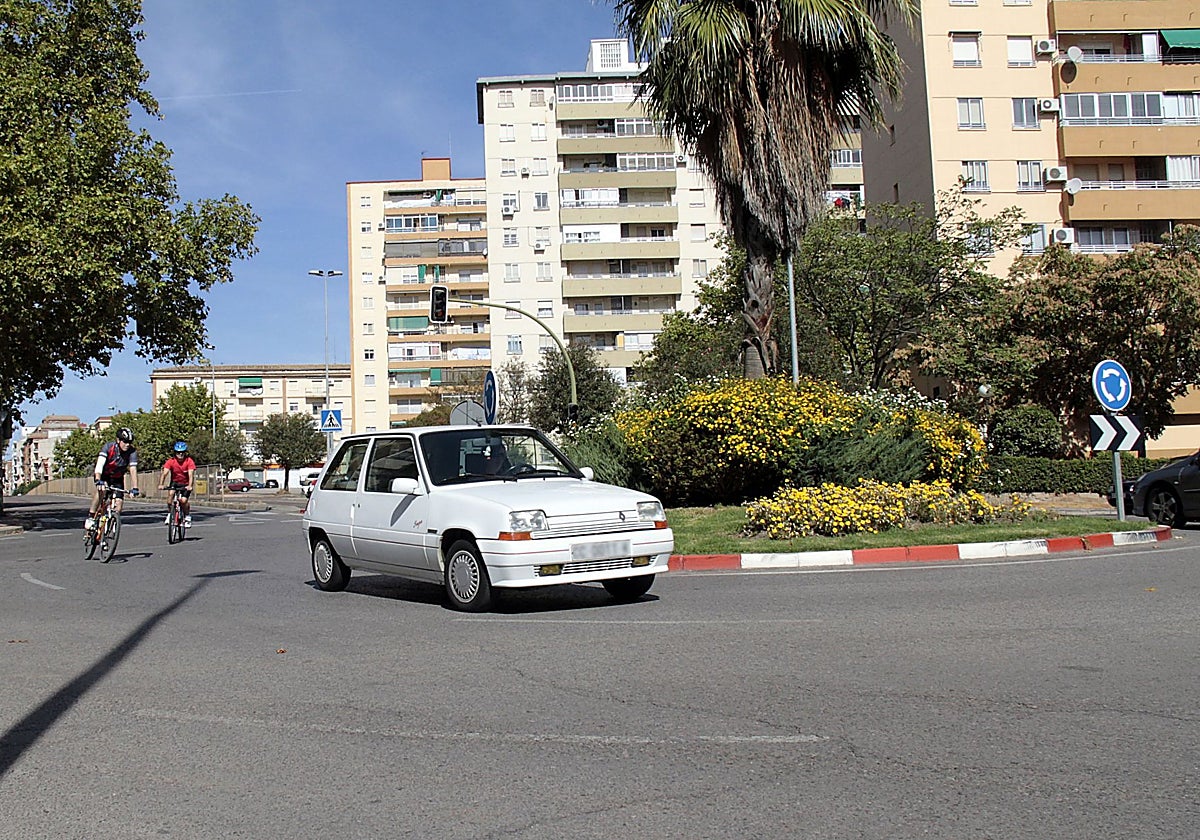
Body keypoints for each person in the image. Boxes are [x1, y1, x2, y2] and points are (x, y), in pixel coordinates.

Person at [85, 427, 139, 530]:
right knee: (102, 491)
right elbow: (99, 465)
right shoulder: (109, 447)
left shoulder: (132, 452)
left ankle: (111, 525)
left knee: (118, 504)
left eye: (130, 442)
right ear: (118, 440)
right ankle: (91, 516)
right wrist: (98, 480)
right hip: (104, 476)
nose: (127, 444)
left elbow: (133, 469)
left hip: (118, 478)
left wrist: (135, 487)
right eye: (125, 442)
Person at [159, 440, 196, 528]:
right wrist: (161, 484)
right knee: (170, 496)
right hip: (175, 482)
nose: (180, 455)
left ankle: (187, 516)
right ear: (175, 453)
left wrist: (190, 486)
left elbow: (191, 475)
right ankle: (169, 514)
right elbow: (164, 473)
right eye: (178, 453)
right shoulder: (171, 461)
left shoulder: (189, 461)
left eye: (182, 453)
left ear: (185, 453)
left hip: (185, 484)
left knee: (183, 500)